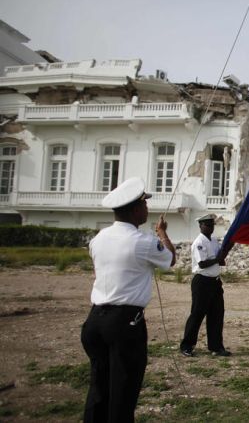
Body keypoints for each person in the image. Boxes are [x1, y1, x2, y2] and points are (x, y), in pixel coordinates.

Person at [81, 177, 176, 423]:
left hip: (94, 321)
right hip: (123, 323)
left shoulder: (99, 238)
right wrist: (162, 233)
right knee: (123, 393)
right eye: (144, 204)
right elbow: (170, 259)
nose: (147, 208)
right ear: (135, 209)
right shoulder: (141, 242)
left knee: (99, 388)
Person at [179, 214, 230, 357]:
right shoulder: (199, 242)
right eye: (207, 225)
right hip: (202, 281)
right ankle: (187, 346)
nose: (210, 227)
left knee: (217, 314)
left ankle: (216, 346)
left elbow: (218, 257)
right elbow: (202, 263)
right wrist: (217, 260)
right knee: (197, 314)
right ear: (200, 226)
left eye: (212, 225)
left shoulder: (213, 240)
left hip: (214, 281)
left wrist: (221, 259)